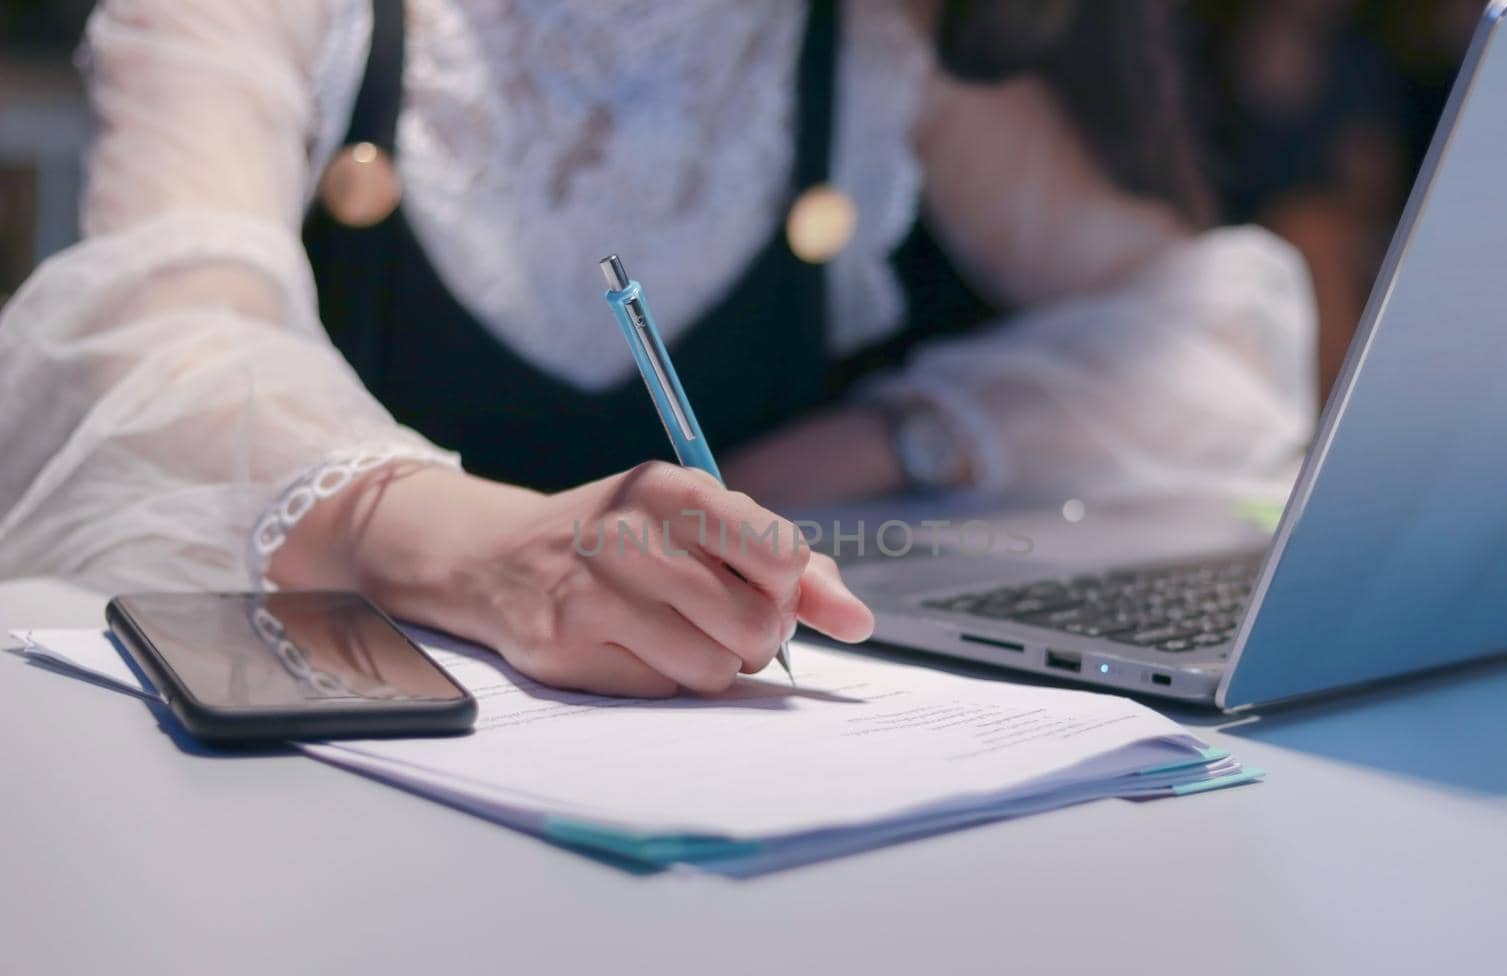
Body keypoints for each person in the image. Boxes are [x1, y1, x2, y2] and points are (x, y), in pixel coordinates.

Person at [0, 0, 1315, 696]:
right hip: (350, 778)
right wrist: (475, 545)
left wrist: (873, 442)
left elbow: (1210, 340)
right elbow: (148, 347)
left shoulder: (877, 32)